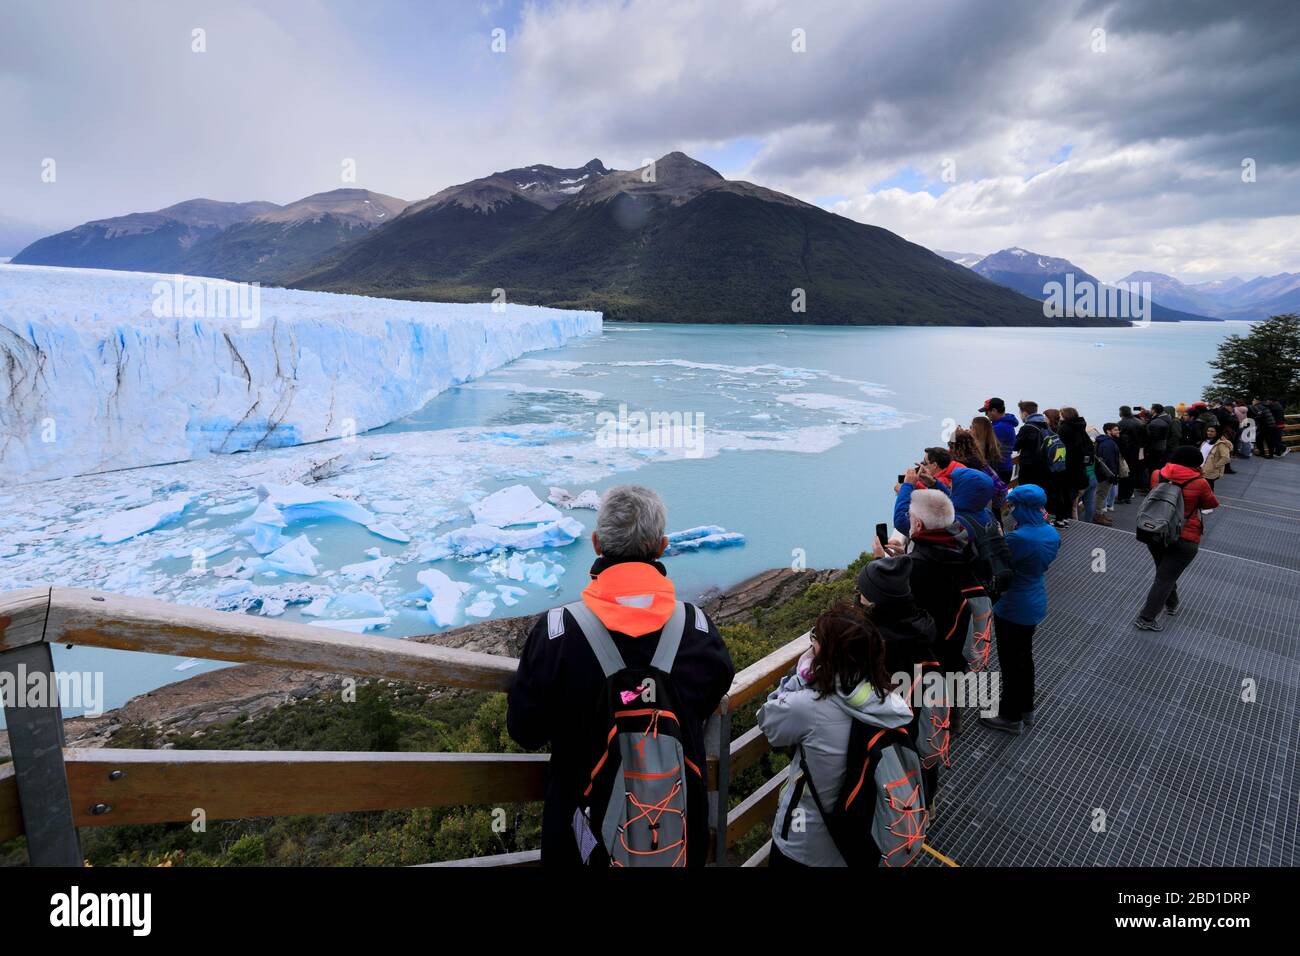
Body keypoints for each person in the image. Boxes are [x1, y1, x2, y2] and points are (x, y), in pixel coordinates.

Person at [507, 484, 734, 866]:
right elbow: (710, 694)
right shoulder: (697, 630)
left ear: (596, 544)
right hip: (673, 843)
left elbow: (524, 730)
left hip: (580, 847)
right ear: (661, 547)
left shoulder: (557, 632)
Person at [758, 603, 912, 868]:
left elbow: (768, 720)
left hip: (804, 844)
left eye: (814, 640)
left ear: (828, 654)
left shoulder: (807, 706)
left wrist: (799, 677)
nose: (811, 646)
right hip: (858, 836)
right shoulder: (884, 699)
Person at [981, 484, 1060, 734]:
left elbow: (997, 562)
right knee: (1024, 659)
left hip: (1014, 606)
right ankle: (1026, 708)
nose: (1010, 510)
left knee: (1011, 663)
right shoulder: (1050, 533)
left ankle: (1010, 717)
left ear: (1023, 507)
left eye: (1013, 505)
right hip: (1035, 599)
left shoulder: (1019, 538)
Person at [1134, 447, 1220, 631]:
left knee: (1163, 571)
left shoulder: (1158, 474)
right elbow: (1210, 504)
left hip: (1157, 530)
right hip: (1185, 536)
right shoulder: (1200, 482)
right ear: (1196, 463)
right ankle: (1146, 618)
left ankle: (1171, 603)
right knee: (1166, 576)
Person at [949, 427, 1008, 512]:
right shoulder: (978, 460)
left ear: (955, 447)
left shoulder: (959, 466)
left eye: (950, 446)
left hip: (970, 506)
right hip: (985, 501)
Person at [1057, 406, 1095, 523]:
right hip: (1081, 470)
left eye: (1061, 414)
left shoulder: (1064, 429)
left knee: (1069, 502)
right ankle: (1086, 522)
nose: (1059, 417)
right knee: (1083, 501)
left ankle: (1068, 522)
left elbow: (1060, 448)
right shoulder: (1080, 427)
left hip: (1068, 469)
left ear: (1065, 416)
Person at [1013, 400, 1053, 493]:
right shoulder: (1045, 425)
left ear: (1025, 414)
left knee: (1027, 494)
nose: (1020, 416)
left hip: (1029, 470)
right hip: (1044, 467)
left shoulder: (1027, 428)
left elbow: (1015, 446)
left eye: (1020, 413)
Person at [977, 398, 1018, 484]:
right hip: (1005, 466)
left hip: (999, 470)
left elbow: (985, 447)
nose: (986, 415)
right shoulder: (1006, 423)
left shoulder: (1000, 427)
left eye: (987, 412)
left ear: (994, 410)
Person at [1116, 405, 1147, 502]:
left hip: (1125, 452)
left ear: (1122, 413)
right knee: (1132, 473)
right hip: (1138, 451)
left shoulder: (1120, 423)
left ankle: (1121, 496)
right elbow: (1146, 437)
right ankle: (1128, 496)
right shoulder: (1140, 422)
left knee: (1123, 473)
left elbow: (1118, 439)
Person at [1094, 423, 1122, 524]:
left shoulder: (1106, 442)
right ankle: (1098, 515)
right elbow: (1109, 461)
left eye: (1118, 429)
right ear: (1108, 431)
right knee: (1101, 494)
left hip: (1103, 473)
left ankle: (1100, 513)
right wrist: (1113, 475)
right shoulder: (1108, 444)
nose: (1118, 431)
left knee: (1102, 494)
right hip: (1106, 474)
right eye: (1115, 430)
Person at [1200, 423, 1233, 488]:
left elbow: (1226, 458)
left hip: (1210, 471)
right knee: (1203, 488)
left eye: (1212, 431)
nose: (1209, 433)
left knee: (1208, 488)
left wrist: (1215, 466)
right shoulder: (1206, 441)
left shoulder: (1221, 444)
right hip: (1201, 469)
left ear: (1217, 433)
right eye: (1208, 431)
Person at [1145, 403, 1172, 472]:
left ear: (1154, 410)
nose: (1150, 410)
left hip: (1155, 448)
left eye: (1151, 409)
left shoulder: (1156, 423)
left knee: (1154, 466)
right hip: (1163, 446)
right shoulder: (1166, 417)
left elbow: (1151, 437)